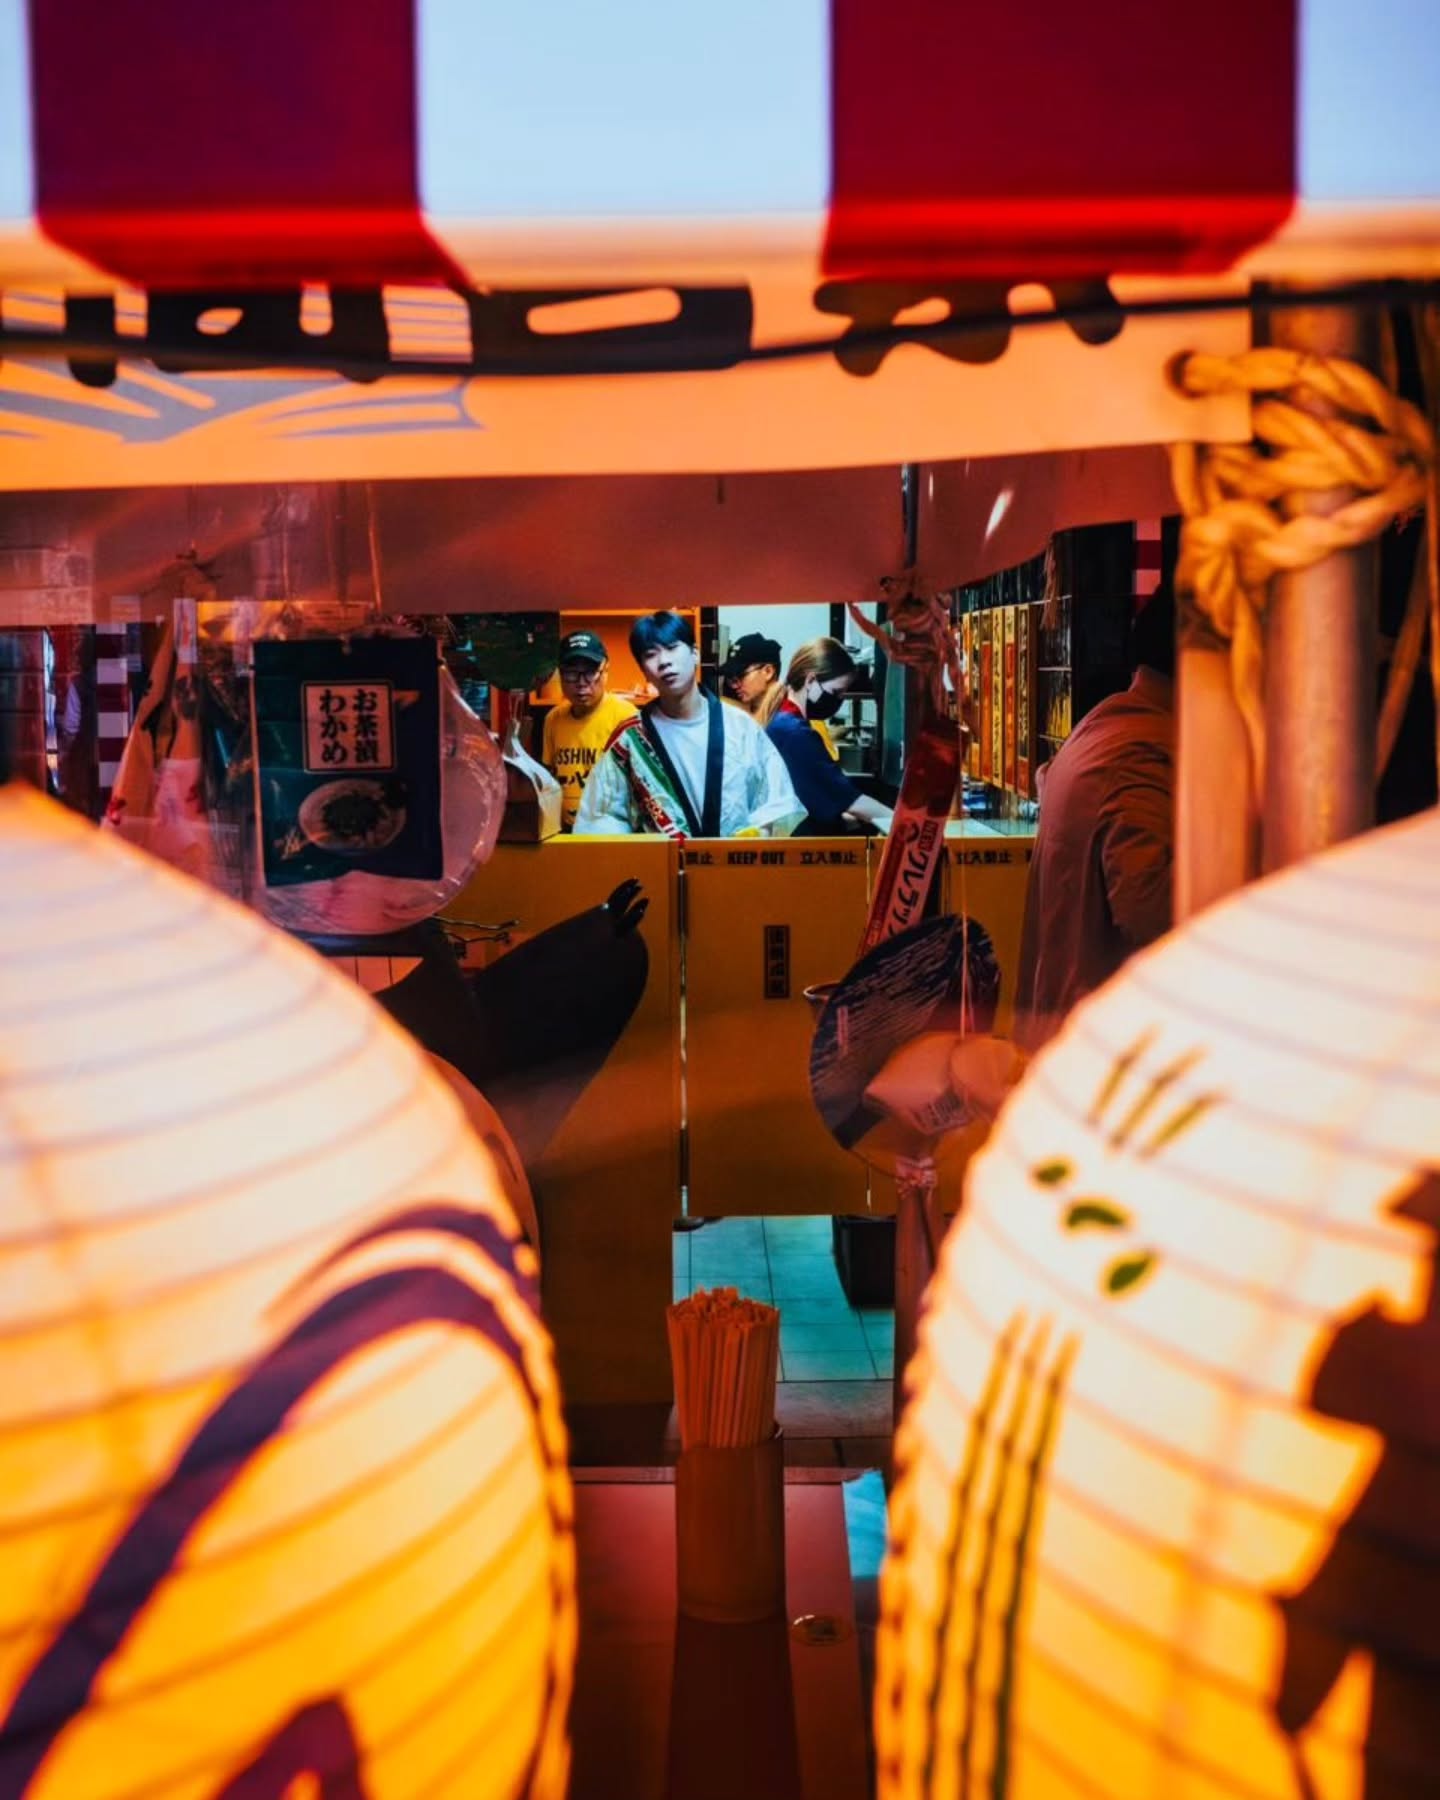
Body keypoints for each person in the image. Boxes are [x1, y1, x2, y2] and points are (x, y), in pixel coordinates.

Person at [1013, 588, 1175, 1053]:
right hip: (1105, 1055)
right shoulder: (1145, 750)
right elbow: (1152, 911)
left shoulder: (1102, 726)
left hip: (1064, 1037)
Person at [574, 611, 803, 838]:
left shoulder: (741, 727)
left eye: (672, 648)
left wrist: (753, 840)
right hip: (659, 870)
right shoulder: (631, 740)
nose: (664, 661)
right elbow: (600, 821)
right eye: (651, 654)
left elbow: (777, 804)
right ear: (644, 670)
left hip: (733, 868)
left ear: (695, 654)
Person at [760, 638, 892, 835]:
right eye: (836, 692)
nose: (838, 701)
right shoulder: (794, 732)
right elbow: (850, 800)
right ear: (811, 680)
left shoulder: (783, 721)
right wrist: (899, 822)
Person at [540, 630, 638, 829]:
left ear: (605, 670)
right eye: (571, 673)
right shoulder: (553, 719)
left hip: (612, 831)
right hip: (565, 831)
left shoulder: (627, 717)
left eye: (590, 672)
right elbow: (549, 780)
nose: (581, 683)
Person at [720, 631, 782, 718]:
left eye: (741, 676)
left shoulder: (786, 719)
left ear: (768, 672)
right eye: (731, 679)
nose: (734, 686)